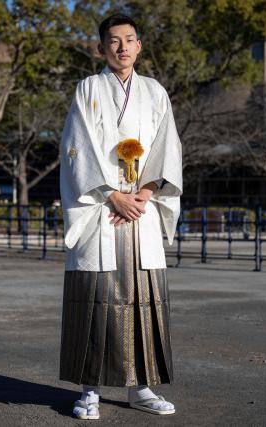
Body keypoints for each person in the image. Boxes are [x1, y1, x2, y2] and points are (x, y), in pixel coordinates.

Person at [59, 13, 183, 420]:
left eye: (129, 39)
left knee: (142, 298)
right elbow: (76, 149)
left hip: (142, 212)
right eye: (113, 41)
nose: (122, 47)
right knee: (96, 296)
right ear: (101, 48)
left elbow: (168, 148)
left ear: (140, 45)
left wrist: (144, 194)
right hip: (100, 209)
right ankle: (89, 390)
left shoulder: (155, 92)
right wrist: (113, 195)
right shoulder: (88, 89)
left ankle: (141, 387)